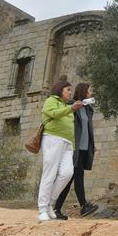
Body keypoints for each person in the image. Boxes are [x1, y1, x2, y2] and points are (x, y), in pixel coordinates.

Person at [37, 78, 84, 221]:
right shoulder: (51, 100)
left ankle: (50, 203)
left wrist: (72, 145)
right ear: (60, 89)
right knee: (49, 173)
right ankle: (42, 209)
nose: (70, 92)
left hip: (67, 143)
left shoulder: (66, 105)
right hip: (53, 139)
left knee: (67, 173)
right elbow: (55, 114)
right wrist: (71, 108)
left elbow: (70, 127)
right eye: (68, 90)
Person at [53, 82, 99, 219]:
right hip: (74, 148)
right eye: (89, 90)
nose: (91, 93)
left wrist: (92, 144)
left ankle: (57, 208)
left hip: (84, 148)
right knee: (76, 175)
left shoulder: (87, 109)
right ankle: (83, 206)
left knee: (73, 176)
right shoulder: (72, 105)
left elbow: (87, 129)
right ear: (84, 91)